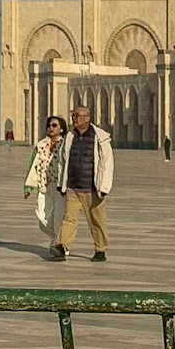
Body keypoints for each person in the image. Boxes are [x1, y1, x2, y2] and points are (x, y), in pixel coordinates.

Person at [50, 104, 114, 261]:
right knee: (69, 218)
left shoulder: (100, 138)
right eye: (73, 116)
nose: (74, 119)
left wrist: (104, 186)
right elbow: (62, 161)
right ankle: (62, 247)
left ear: (86, 118)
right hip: (73, 187)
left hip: (92, 188)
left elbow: (107, 162)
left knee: (96, 220)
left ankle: (100, 249)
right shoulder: (70, 137)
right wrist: (61, 183)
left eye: (77, 116)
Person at [24, 115, 67, 239]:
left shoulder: (65, 145)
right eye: (49, 125)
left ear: (61, 129)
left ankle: (60, 244)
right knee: (42, 215)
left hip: (60, 187)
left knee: (58, 216)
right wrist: (27, 187)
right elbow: (32, 166)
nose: (50, 128)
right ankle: (56, 239)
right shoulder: (40, 145)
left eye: (54, 125)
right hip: (45, 185)